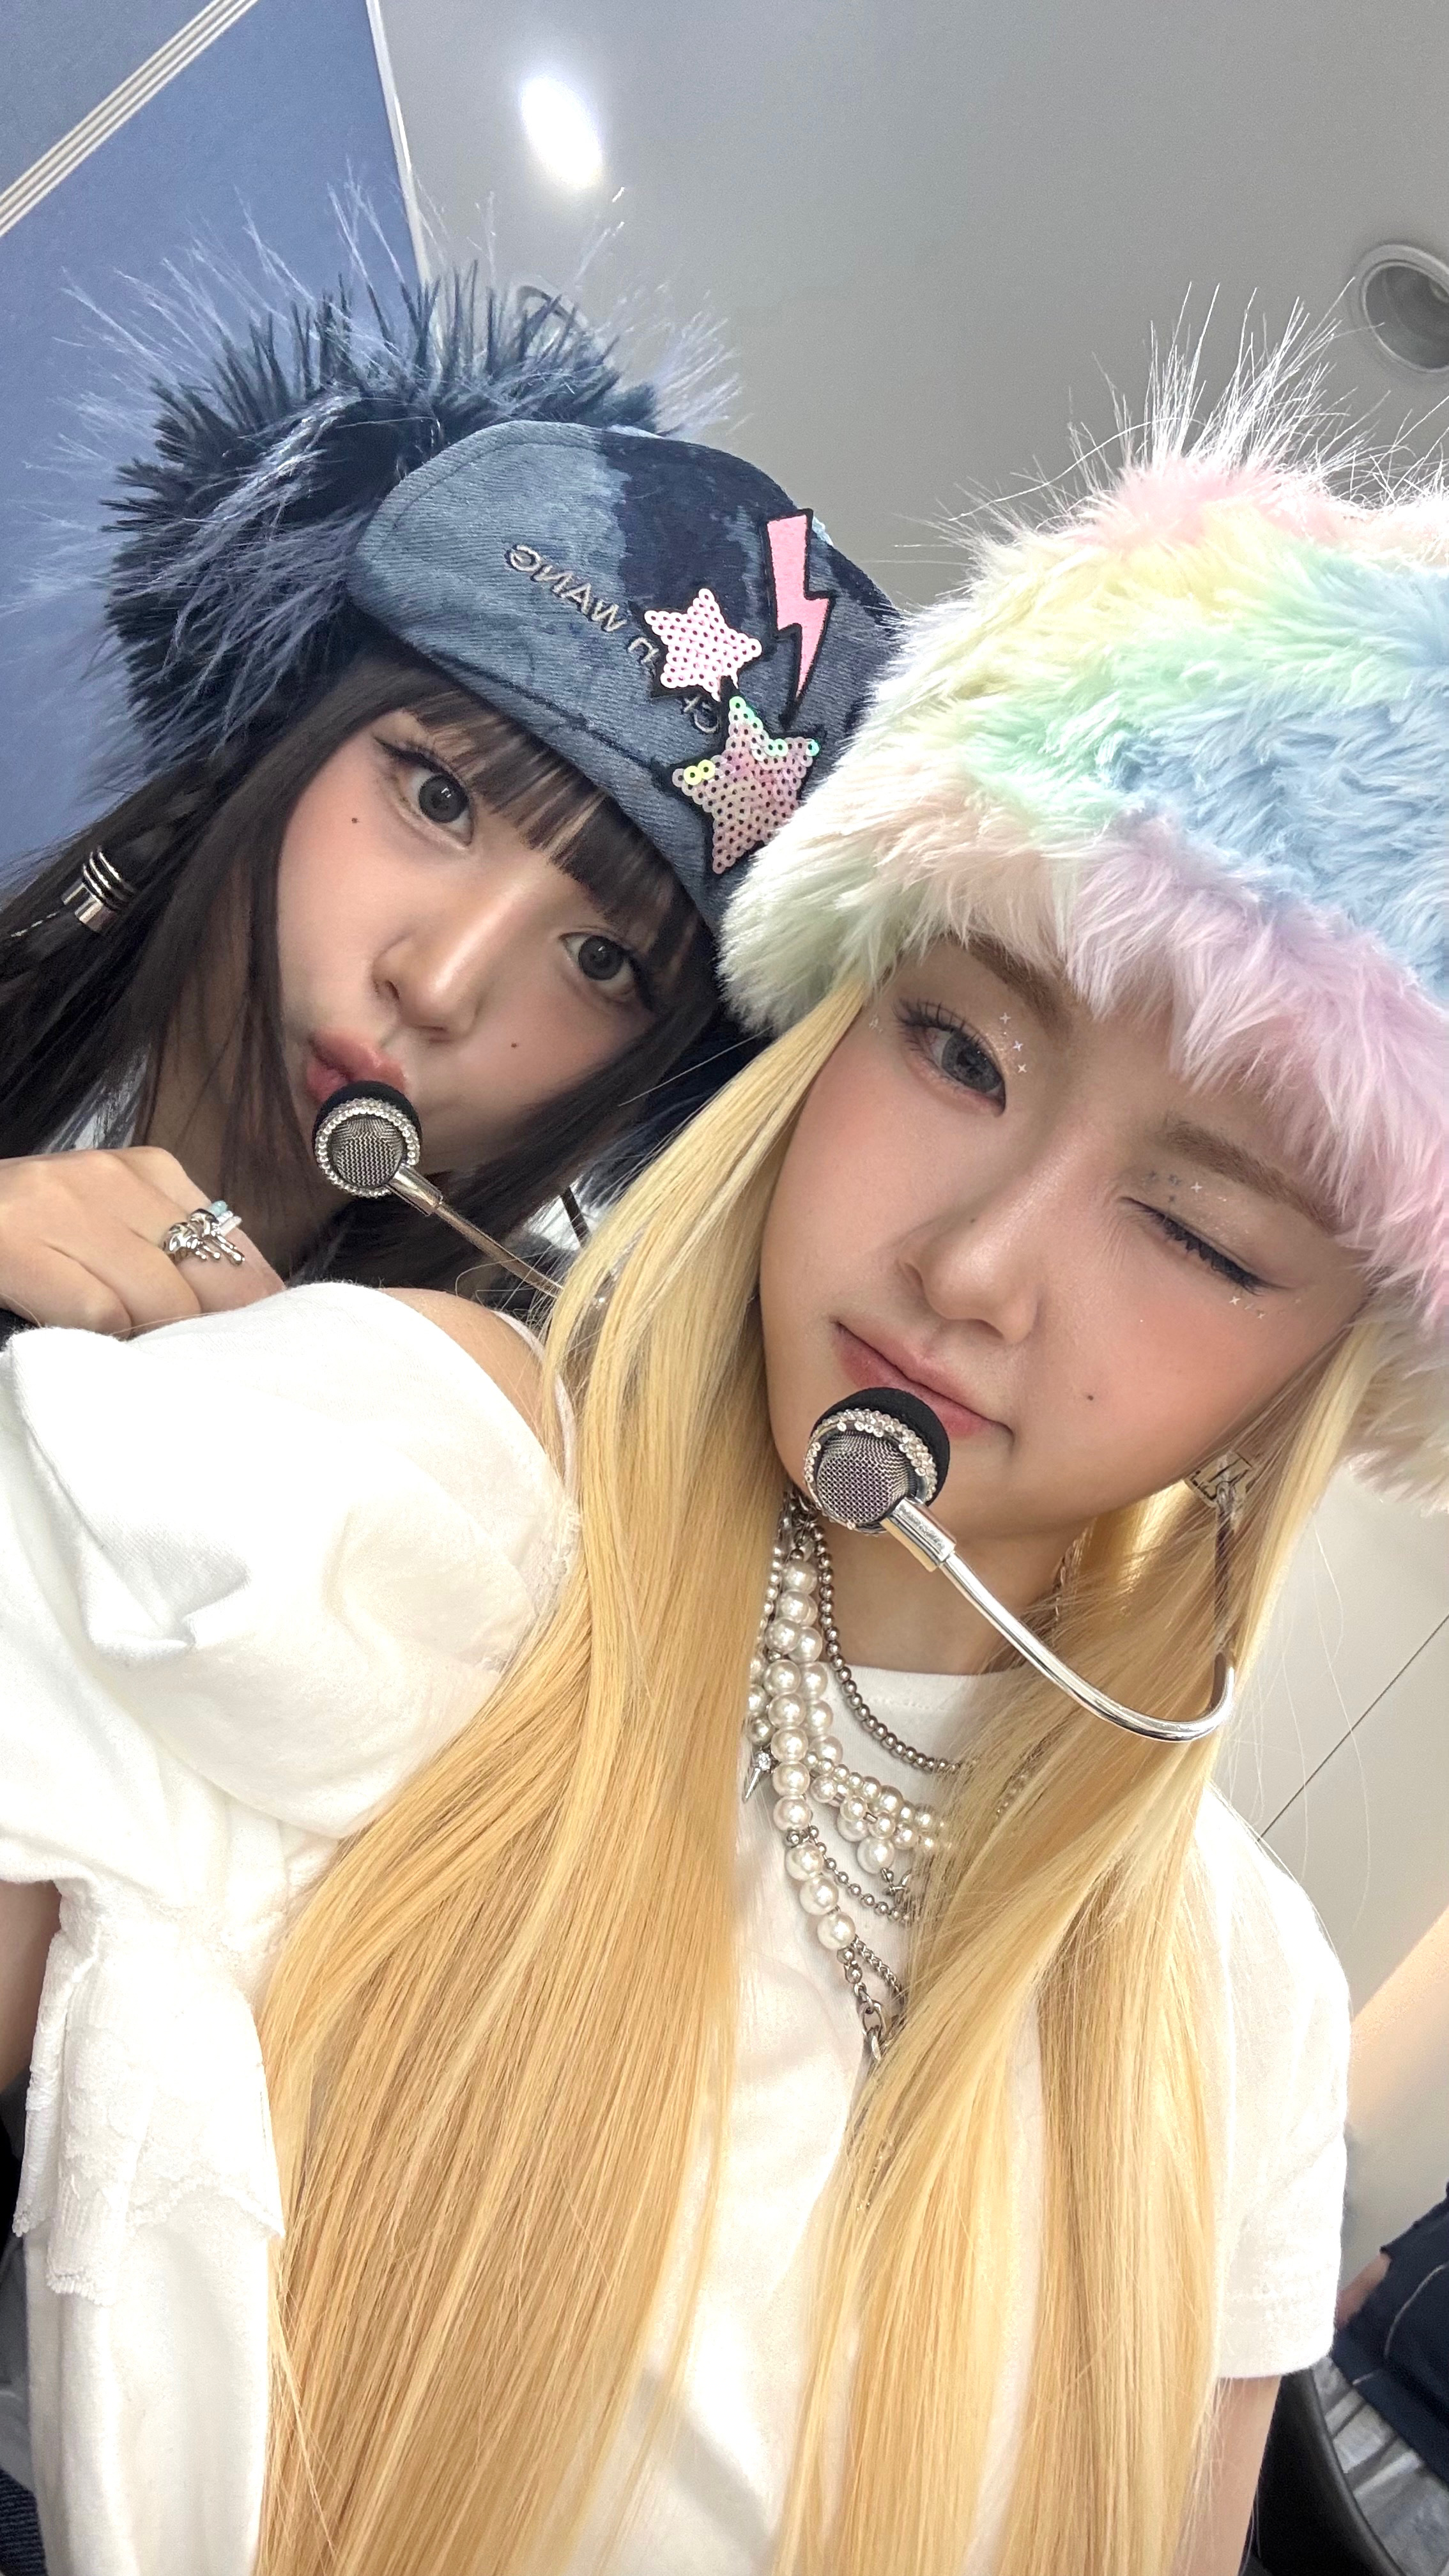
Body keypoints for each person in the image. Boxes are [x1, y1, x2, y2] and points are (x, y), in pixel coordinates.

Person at [1, 356, 1446, 2576]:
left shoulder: (1229, 2011)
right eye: (953, 1049)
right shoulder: (432, 1481)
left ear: (1316, 1382)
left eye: (1192, 1232)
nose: (971, 1266)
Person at [0, 268, 895, 1328]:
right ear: (281, 729)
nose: (437, 986)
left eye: (602, 961)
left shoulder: (490, 1411)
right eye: (437, 800)